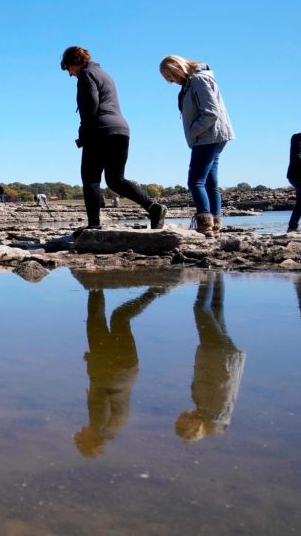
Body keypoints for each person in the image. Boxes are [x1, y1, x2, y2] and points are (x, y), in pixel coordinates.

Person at [61, 46, 167, 231]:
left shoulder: (87, 74)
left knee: (91, 178)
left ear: (75, 62)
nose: (70, 74)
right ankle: (153, 207)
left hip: (100, 131)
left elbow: (91, 105)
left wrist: (84, 130)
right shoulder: (104, 74)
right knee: (116, 180)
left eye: (69, 68)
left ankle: (94, 226)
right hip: (121, 130)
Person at [73, 284, 166, 458]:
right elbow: (101, 396)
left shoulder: (112, 430)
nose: (79, 430)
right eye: (80, 435)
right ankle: (96, 285)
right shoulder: (99, 424)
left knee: (121, 318)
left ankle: (153, 293)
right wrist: (93, 361)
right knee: (97, 319)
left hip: (128, 368)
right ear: (88, 438)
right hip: (109, 368)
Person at [160, 55, 236, 237]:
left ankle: (205, 224)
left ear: (177, 68)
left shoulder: (199, 80)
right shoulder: (193, 82)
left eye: (170, 76)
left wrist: (193, 131)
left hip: (208, 136)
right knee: (210, 181)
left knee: (195, 181)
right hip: (212, 136)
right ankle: (215, 224)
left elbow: (211, 113)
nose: (171, 81)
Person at [176, 274, 246, 443]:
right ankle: (207, 272)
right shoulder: (212, 411)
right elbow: (221, 382)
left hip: (222, 356)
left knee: (215, 309)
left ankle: (217, 271)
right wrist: (212, 350)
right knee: (200, 309)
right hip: (217, 354)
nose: (182, 414)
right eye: (183, 418)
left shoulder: (210, 413)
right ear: (193, 426)